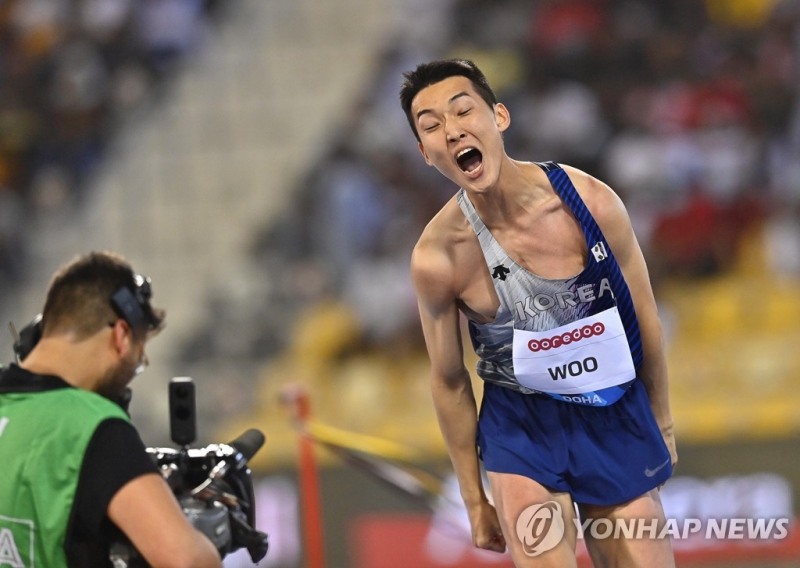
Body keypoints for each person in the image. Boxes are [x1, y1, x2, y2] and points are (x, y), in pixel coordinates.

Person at [400, 59, 678, 567]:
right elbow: (449, 380)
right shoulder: (439, 257)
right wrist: (473, 496)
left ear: (499, 117)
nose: (453, 129)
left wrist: (661, 421)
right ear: (425, 153)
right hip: (521, 426)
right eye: (432, 125)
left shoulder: (590, 203)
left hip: (612, 411)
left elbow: (644, 315)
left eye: (462, 111)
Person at [0, 251, 222, 567]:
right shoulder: (92, 426)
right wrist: (211, 535)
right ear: (121, 336)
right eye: (139, 358)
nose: (134, 369)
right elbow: (188, 561)